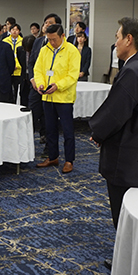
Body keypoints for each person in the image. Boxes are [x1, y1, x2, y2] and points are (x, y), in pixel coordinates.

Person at [89, 17, 138, 275]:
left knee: (123, 215)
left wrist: (97, 132)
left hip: (125, 153)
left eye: (118, 36)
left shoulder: (132, 70)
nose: (115, 41)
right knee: (132, 214)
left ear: (129, 39)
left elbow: (117, 110)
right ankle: (124, 260)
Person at [34, 24, 80, 174]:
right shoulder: (44, 50)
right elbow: (38, 70)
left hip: (64, 98)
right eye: (49, 39)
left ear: (62, 36)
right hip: (47, 97)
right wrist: (41, 85)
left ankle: (69, 160)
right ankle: (53, 157)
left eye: (54, 39)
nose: (51, 42)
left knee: (67, 130)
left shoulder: (72, 51)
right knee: (50, 129)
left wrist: (58, 85)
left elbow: (72, 76)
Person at [29, 13, 61, 150]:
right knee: (31, 114)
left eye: (50, 23)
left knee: (50, 119)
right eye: (45, 23)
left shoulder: (61, 45)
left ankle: (50, 147)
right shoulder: (37, 41)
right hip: (36, 86)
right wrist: (32, 79)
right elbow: (31, 63)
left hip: (52, 88)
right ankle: (27, 145)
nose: (46, 25)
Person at [3, 23, 23, 102]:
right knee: (8, 91)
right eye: (13, 29)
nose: (14, 31)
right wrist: (10, 65)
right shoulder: (5, 41)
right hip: (8, 70)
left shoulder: (22, 41)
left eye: (16, 30)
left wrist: (16, 65)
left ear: (19, 31)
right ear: (10, 31)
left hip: (18, 70)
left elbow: (22, 57)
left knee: (18, 92)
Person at [19, 35, 35, 107]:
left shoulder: (37, 51)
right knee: (23, 98)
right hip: (24, 77)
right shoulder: (20, 50)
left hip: (34, 79)